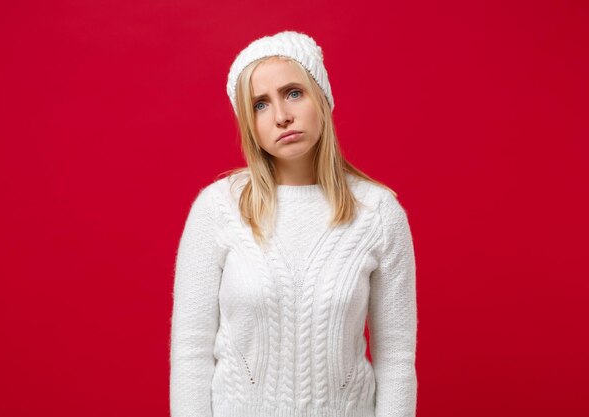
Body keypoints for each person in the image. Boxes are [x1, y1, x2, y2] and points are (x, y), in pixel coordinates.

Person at [169, 30, 418, 417]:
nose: (282, 116)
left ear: (321, 97)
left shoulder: (378, 212)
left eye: (293, 93)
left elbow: (397, 357)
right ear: (248, 122)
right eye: (260, 105)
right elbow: (191, 350)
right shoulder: (218, 209)